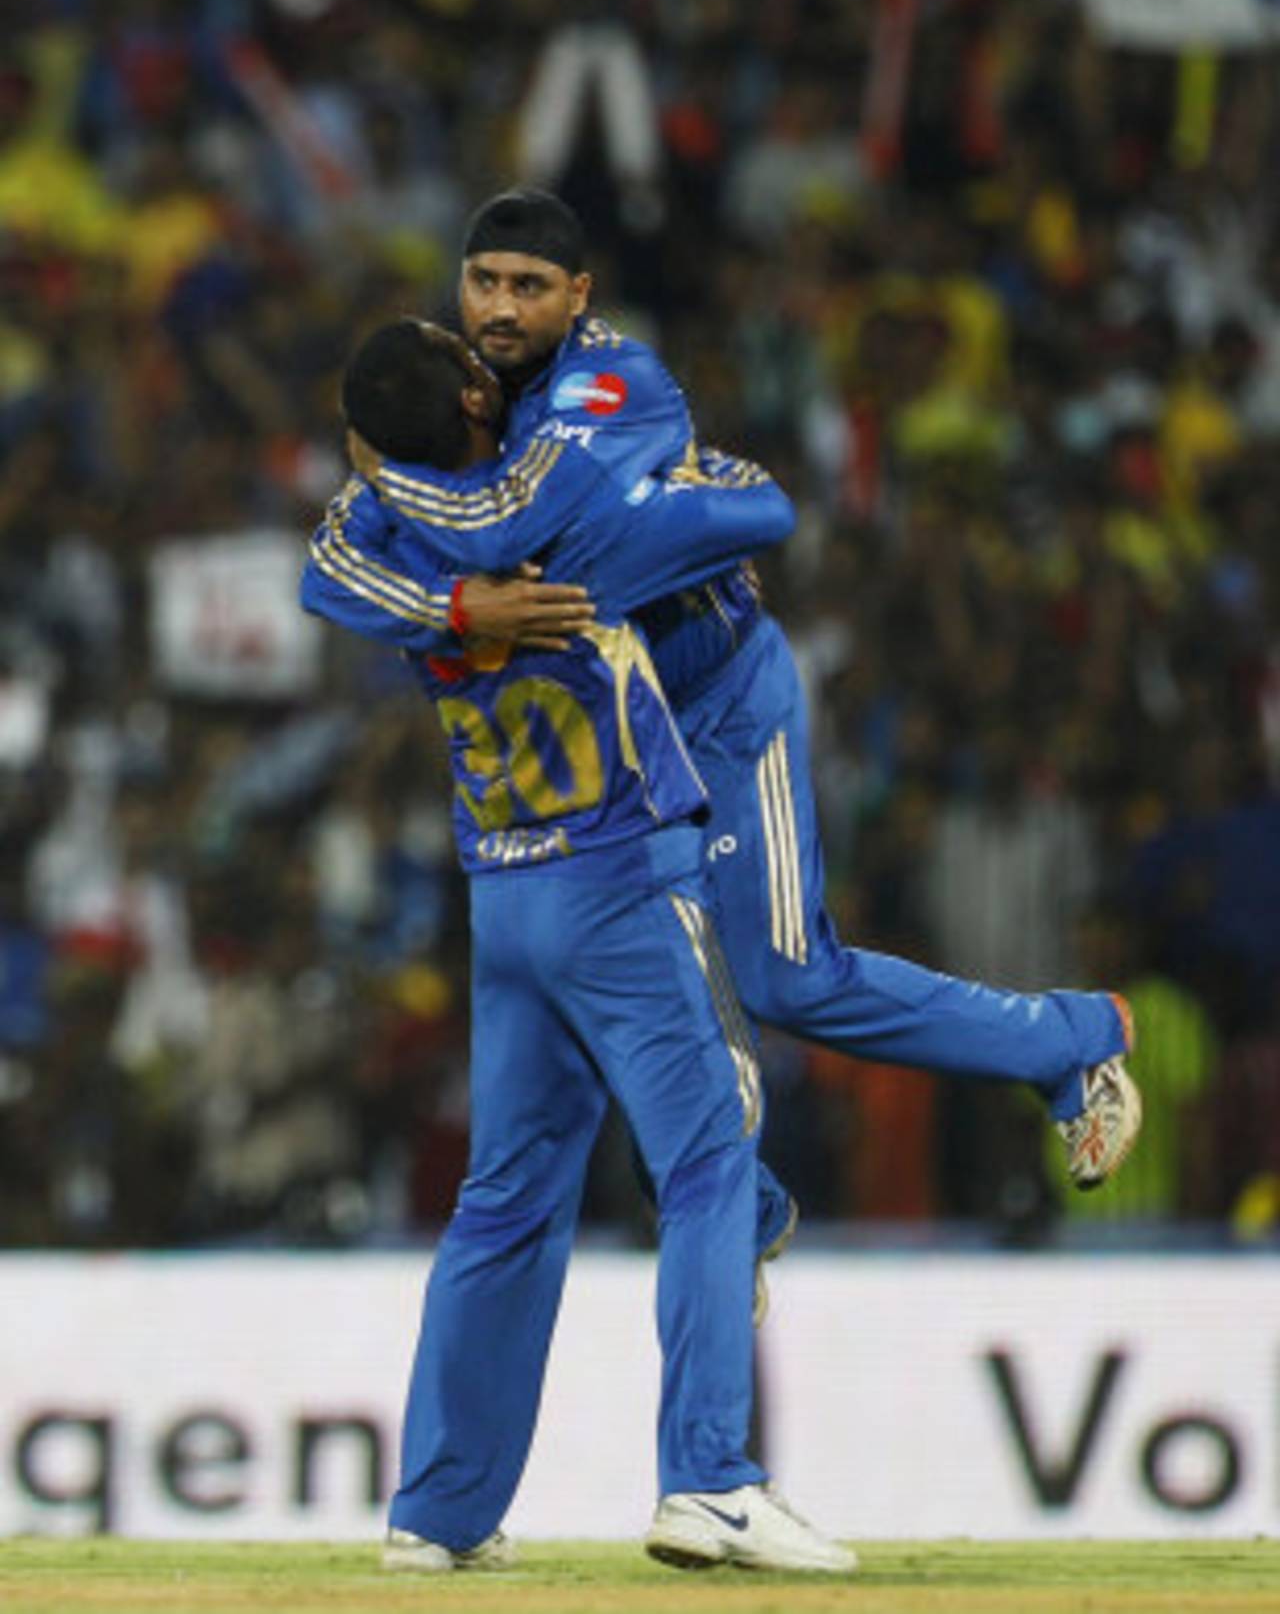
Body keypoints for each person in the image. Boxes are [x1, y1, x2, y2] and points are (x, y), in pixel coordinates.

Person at [371, 188, 1143, 1220]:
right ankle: (746, 1210)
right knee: (608, 981)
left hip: (716, 705)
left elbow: (509, 522)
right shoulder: (459, 391)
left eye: (529, 286)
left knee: (785, 977)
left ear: (578, 296)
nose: (501, 307)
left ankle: (1071, 1038)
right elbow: (346, 566)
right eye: (484, 282)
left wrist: (381, 482)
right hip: (612, 747)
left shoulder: (607, 380)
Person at [300, 318, 856, 1575]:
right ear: (469, 392)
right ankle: (710, 1480)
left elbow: (320, 566)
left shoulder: (385, 531)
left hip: (501, 891)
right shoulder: (579, 503)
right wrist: (691, 470)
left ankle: (435, 1513)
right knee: (712, 1156)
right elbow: (758, 514)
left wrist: (436, 572)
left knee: (501, 1198)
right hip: (618, 878)